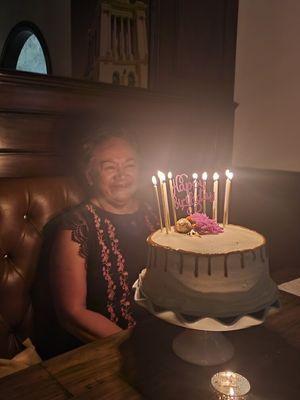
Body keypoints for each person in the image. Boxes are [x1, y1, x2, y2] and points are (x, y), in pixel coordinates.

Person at [32, 130, 158, 359]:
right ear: (90, 176)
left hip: (157, 334)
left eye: (129, 165)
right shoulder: (76, 226)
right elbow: (72, 313)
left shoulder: (155, 215)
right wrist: (136, 347)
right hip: (104, 348)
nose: (122, 175)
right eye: (109, 167)